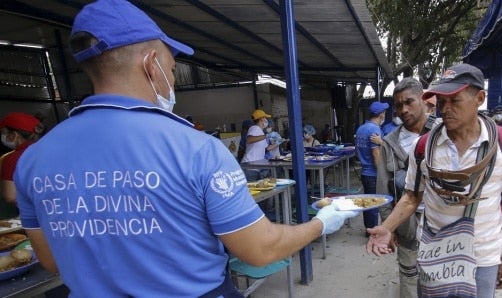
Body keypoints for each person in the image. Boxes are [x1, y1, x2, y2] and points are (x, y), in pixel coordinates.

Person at [13, 2, 361, 296]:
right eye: (171, 67)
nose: (173, 78)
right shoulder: (197, 149)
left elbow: (50, 259)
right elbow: (260, 249)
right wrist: (320, 224)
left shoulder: (33, 159)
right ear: (151, 64)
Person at [367, 63, 502, 297]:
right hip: (435, 254)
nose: (446, 109)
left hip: (483, 255)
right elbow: (412, 196)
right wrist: (386, 227)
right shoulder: (423, 146)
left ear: (480, 98)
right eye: (442, 102)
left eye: (455, 101)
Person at [375, 78, 435, 297]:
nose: (403, 109)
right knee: (409, 277)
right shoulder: (390, 143)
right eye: (399, 105)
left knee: (437, 278)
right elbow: (383, 188)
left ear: (423, 100)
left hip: (440, 224)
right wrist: (388, 227)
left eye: (409, 102)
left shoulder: (441, 132)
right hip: (407, 225)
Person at [0, 112, 44, 219]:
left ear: (15, 135)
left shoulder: (12, 159)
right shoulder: (53, 151)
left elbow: (10, 196)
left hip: (33, 217)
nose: (3, 137)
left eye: (4, 133)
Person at [355, 101, 389, 236]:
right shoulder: (375, 130)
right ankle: (373, 232)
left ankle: (368, 230)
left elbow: (357, 152)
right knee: (374, 204)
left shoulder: (360, 129)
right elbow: (376, 155)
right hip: (373, 174)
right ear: (381, 114)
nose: (384, 115)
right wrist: (382, 173)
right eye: (384, 113)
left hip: (364, 172)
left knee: (368, 203)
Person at [241, 109, 277, 180]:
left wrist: (278, 143)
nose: (266, 120)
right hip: (250, 166)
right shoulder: (254, 128)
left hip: (256, 167)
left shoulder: (260, 131)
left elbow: (267, 148)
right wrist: (266, 136)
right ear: (261, 119)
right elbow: (249, 140)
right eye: (265, 118)